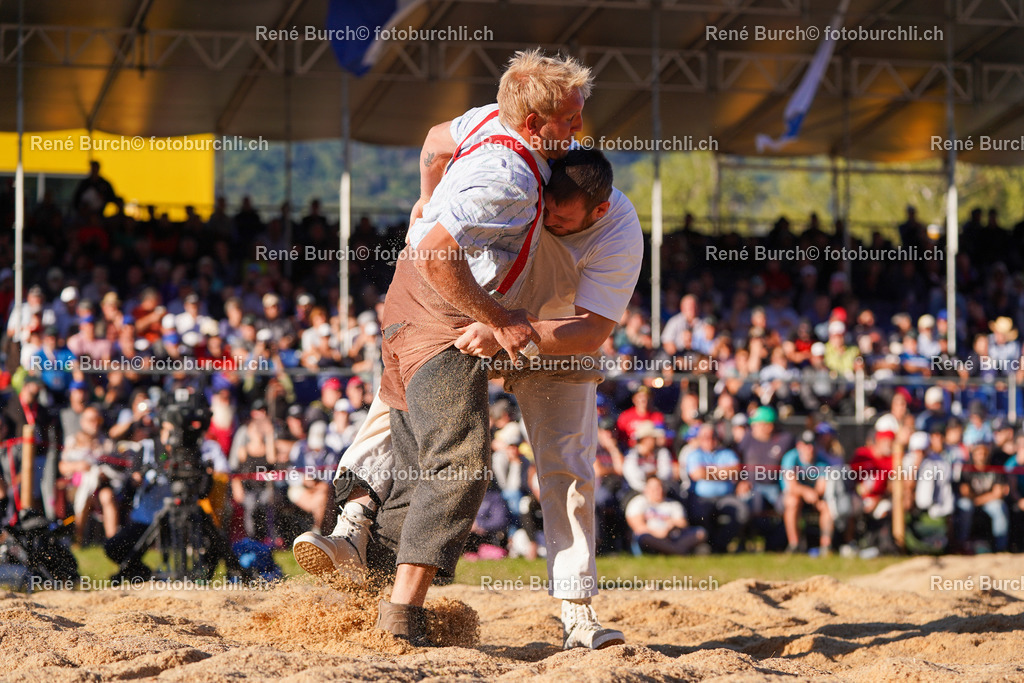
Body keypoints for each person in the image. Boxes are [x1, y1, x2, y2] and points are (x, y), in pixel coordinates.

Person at [296, 147, 643, 651]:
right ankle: (353, 527)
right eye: (544, 209)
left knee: (568, 467)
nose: (548, 222)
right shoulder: (522, 178)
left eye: (562, 220)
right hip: (476, 313)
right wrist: (427, 197)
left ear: (599, 211)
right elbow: (438, 141)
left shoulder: (620, 231)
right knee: (397, 395)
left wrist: (510, 331)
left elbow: (591, 331)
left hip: (553, 337)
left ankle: (577, 612)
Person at [316, 49, 589, 646]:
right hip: (443, 318)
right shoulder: (511, 177)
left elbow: (435, 143)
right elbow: (439, 254)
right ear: (534, 119)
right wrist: (500, 318)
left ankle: (367, 600)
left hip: (403, 303)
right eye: (569, 118)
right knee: (460, 466)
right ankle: (401, 617)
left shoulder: (489, 116)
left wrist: (425, 200)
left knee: (418, 472)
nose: (578, 129)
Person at [780, 430, 835, 555]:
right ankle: (794, 545)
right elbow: (792, 486)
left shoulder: (822, 460)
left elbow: (822, 486)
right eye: (805, 444)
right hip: (792, 496)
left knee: (827, 506)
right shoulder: (790, 458)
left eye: (811, 444)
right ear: (799, 445)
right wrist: (807, 492)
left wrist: (813, 495)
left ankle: (826, 546)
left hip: (813, 498)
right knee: (793, 501)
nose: (809, 448)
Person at [625, 475, 706, 555]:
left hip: (672, 537)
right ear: (646, 489)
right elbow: (638, 527)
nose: (658, 490)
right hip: (651, 537)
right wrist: (659, 533)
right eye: (655, 488)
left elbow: (683, 524)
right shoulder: (638, 502)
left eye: (660, 487)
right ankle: (678, 551)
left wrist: (671, 526)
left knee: (700, 532)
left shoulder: (673, 504)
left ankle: (671, 550)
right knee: (644, 537)